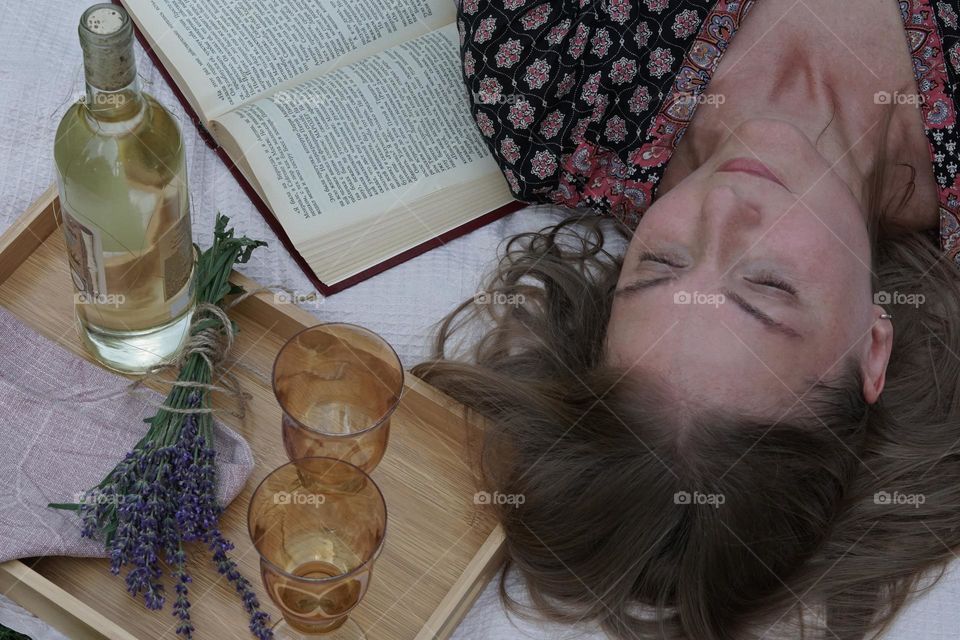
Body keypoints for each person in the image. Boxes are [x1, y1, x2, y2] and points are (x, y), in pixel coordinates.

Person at [413, 1, 960, 638]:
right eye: (768, 285)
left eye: (660, 264)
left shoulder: (551, 94)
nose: (723, 208)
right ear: (873, 344)